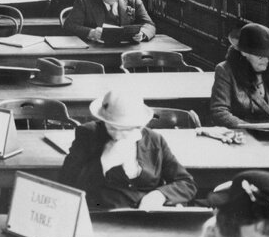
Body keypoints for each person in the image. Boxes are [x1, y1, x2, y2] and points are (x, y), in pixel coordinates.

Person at [56, 89, 197, 211]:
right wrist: (103, 163)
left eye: (125, 130)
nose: (117, 135)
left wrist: (159, 195)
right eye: (111, 127)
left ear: (139, 126)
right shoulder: (88, 135)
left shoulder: (155, 140)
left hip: (148, 220)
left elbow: (186, 183)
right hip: (104, 217)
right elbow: (66, 184)